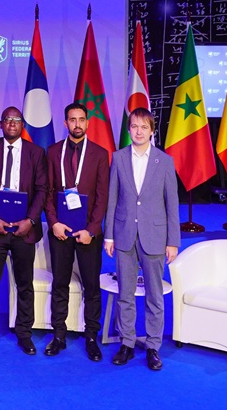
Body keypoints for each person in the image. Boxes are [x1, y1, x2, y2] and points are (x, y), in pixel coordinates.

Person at [104, 107, 180, 371]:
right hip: (124, 234)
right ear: (129, 129)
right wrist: (109, 235)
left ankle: (153, 347)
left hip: (155, 236)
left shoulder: (164, 161)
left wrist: (173, 241)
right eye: (134, 126)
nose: (138, 131)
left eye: (144, 127)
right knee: (125, 293)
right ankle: (126, 343)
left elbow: (172, 204)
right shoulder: (118, 158)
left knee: (154, 296)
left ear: (152, 131)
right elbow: (112, 199)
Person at [0, 106, 48, 355]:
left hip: (23, 229)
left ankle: (24, 333)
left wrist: (30, 220)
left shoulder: (36, 152)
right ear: (1, 124)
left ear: (22, 125)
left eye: (17, 120)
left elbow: (42, 189)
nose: (12, 123)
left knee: (24, 283)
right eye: (7, 120)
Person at [42, 103, 109, 361]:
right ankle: (59, 335)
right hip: (61, 230)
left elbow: (102, 197)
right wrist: (53, 222)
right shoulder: (53, 152)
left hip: (88, 233)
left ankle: (91, 336)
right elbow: (47, 192)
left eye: (81, 119)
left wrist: (91, 230)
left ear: (87, 122)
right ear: (65, 123)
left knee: (92, 285)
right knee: (60, 283)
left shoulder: (100, 154)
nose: (77, 124)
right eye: (72, 119)